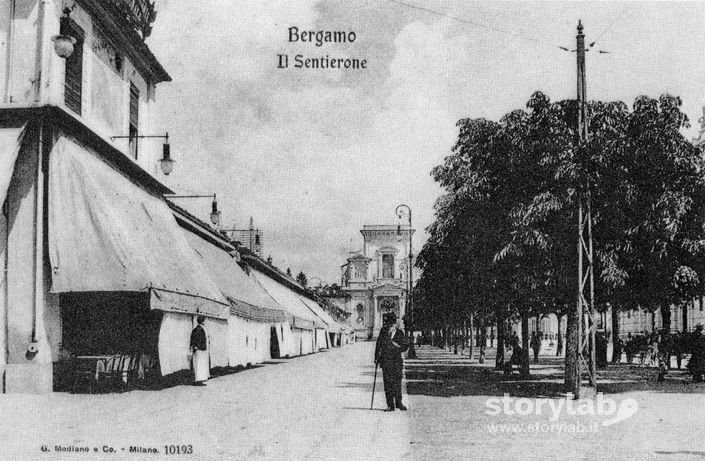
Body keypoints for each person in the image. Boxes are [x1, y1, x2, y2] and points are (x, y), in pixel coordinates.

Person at [374, 312, 409, 411]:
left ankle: (399, 403)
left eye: (392, 323)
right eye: (388, 323)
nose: (390, 325)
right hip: (386, 362)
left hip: (397, 362)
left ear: (395, 323)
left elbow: (405, 346)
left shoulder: (399, 333)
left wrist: (398, 346)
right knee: (388, 384)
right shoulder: (383, 332)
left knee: (397, 383)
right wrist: (376, 358)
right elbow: (378, 345)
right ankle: (390, 405)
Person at [190, 316, 209, 386]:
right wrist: (196, 346)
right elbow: (195, 339)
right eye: (204, 320)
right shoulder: (199, 329)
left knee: (199, 365)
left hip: (200, 349)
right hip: (200, 349)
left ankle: (199, 379)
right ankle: (198, 380)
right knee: (199, 365)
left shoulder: (197, 329)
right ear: (202, 321)